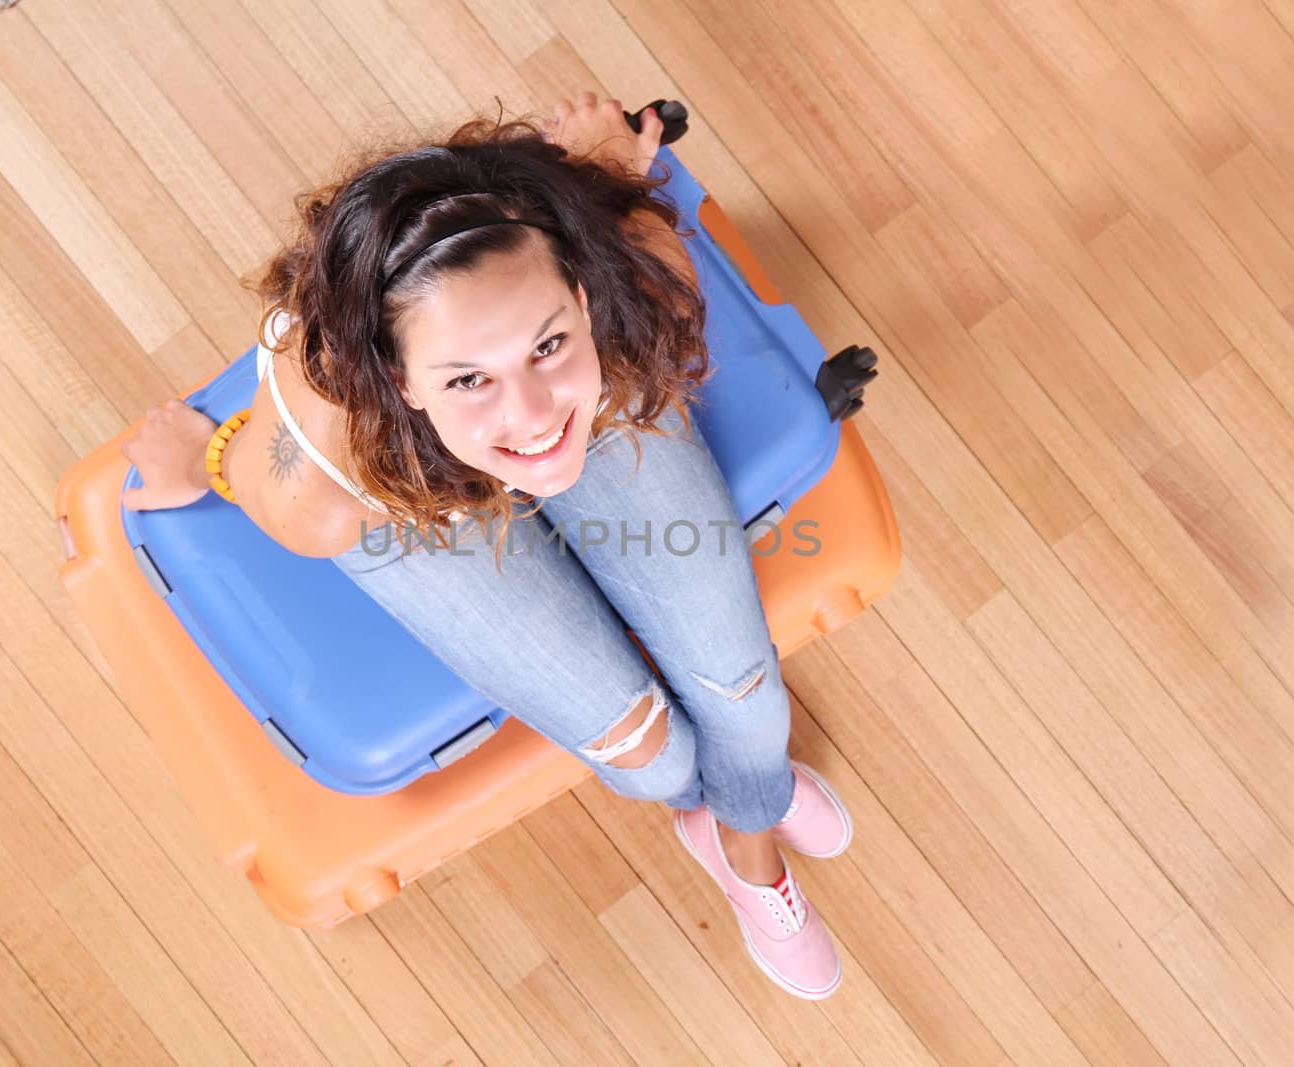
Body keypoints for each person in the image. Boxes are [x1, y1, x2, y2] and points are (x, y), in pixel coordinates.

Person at [120, 92, 854, 999]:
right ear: (399, 377)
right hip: (405, 492)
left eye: (547, 344)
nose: (532, 417)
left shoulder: (641, 286)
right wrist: (207, 454)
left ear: (583, 298)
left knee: (745, 695)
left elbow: (613, 224)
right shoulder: (329, 470)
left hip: (600, 385)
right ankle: (704, 805)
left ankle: (747, 828)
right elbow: (271, 479)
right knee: (646, 752)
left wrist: (610, 160)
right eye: (469, 376)